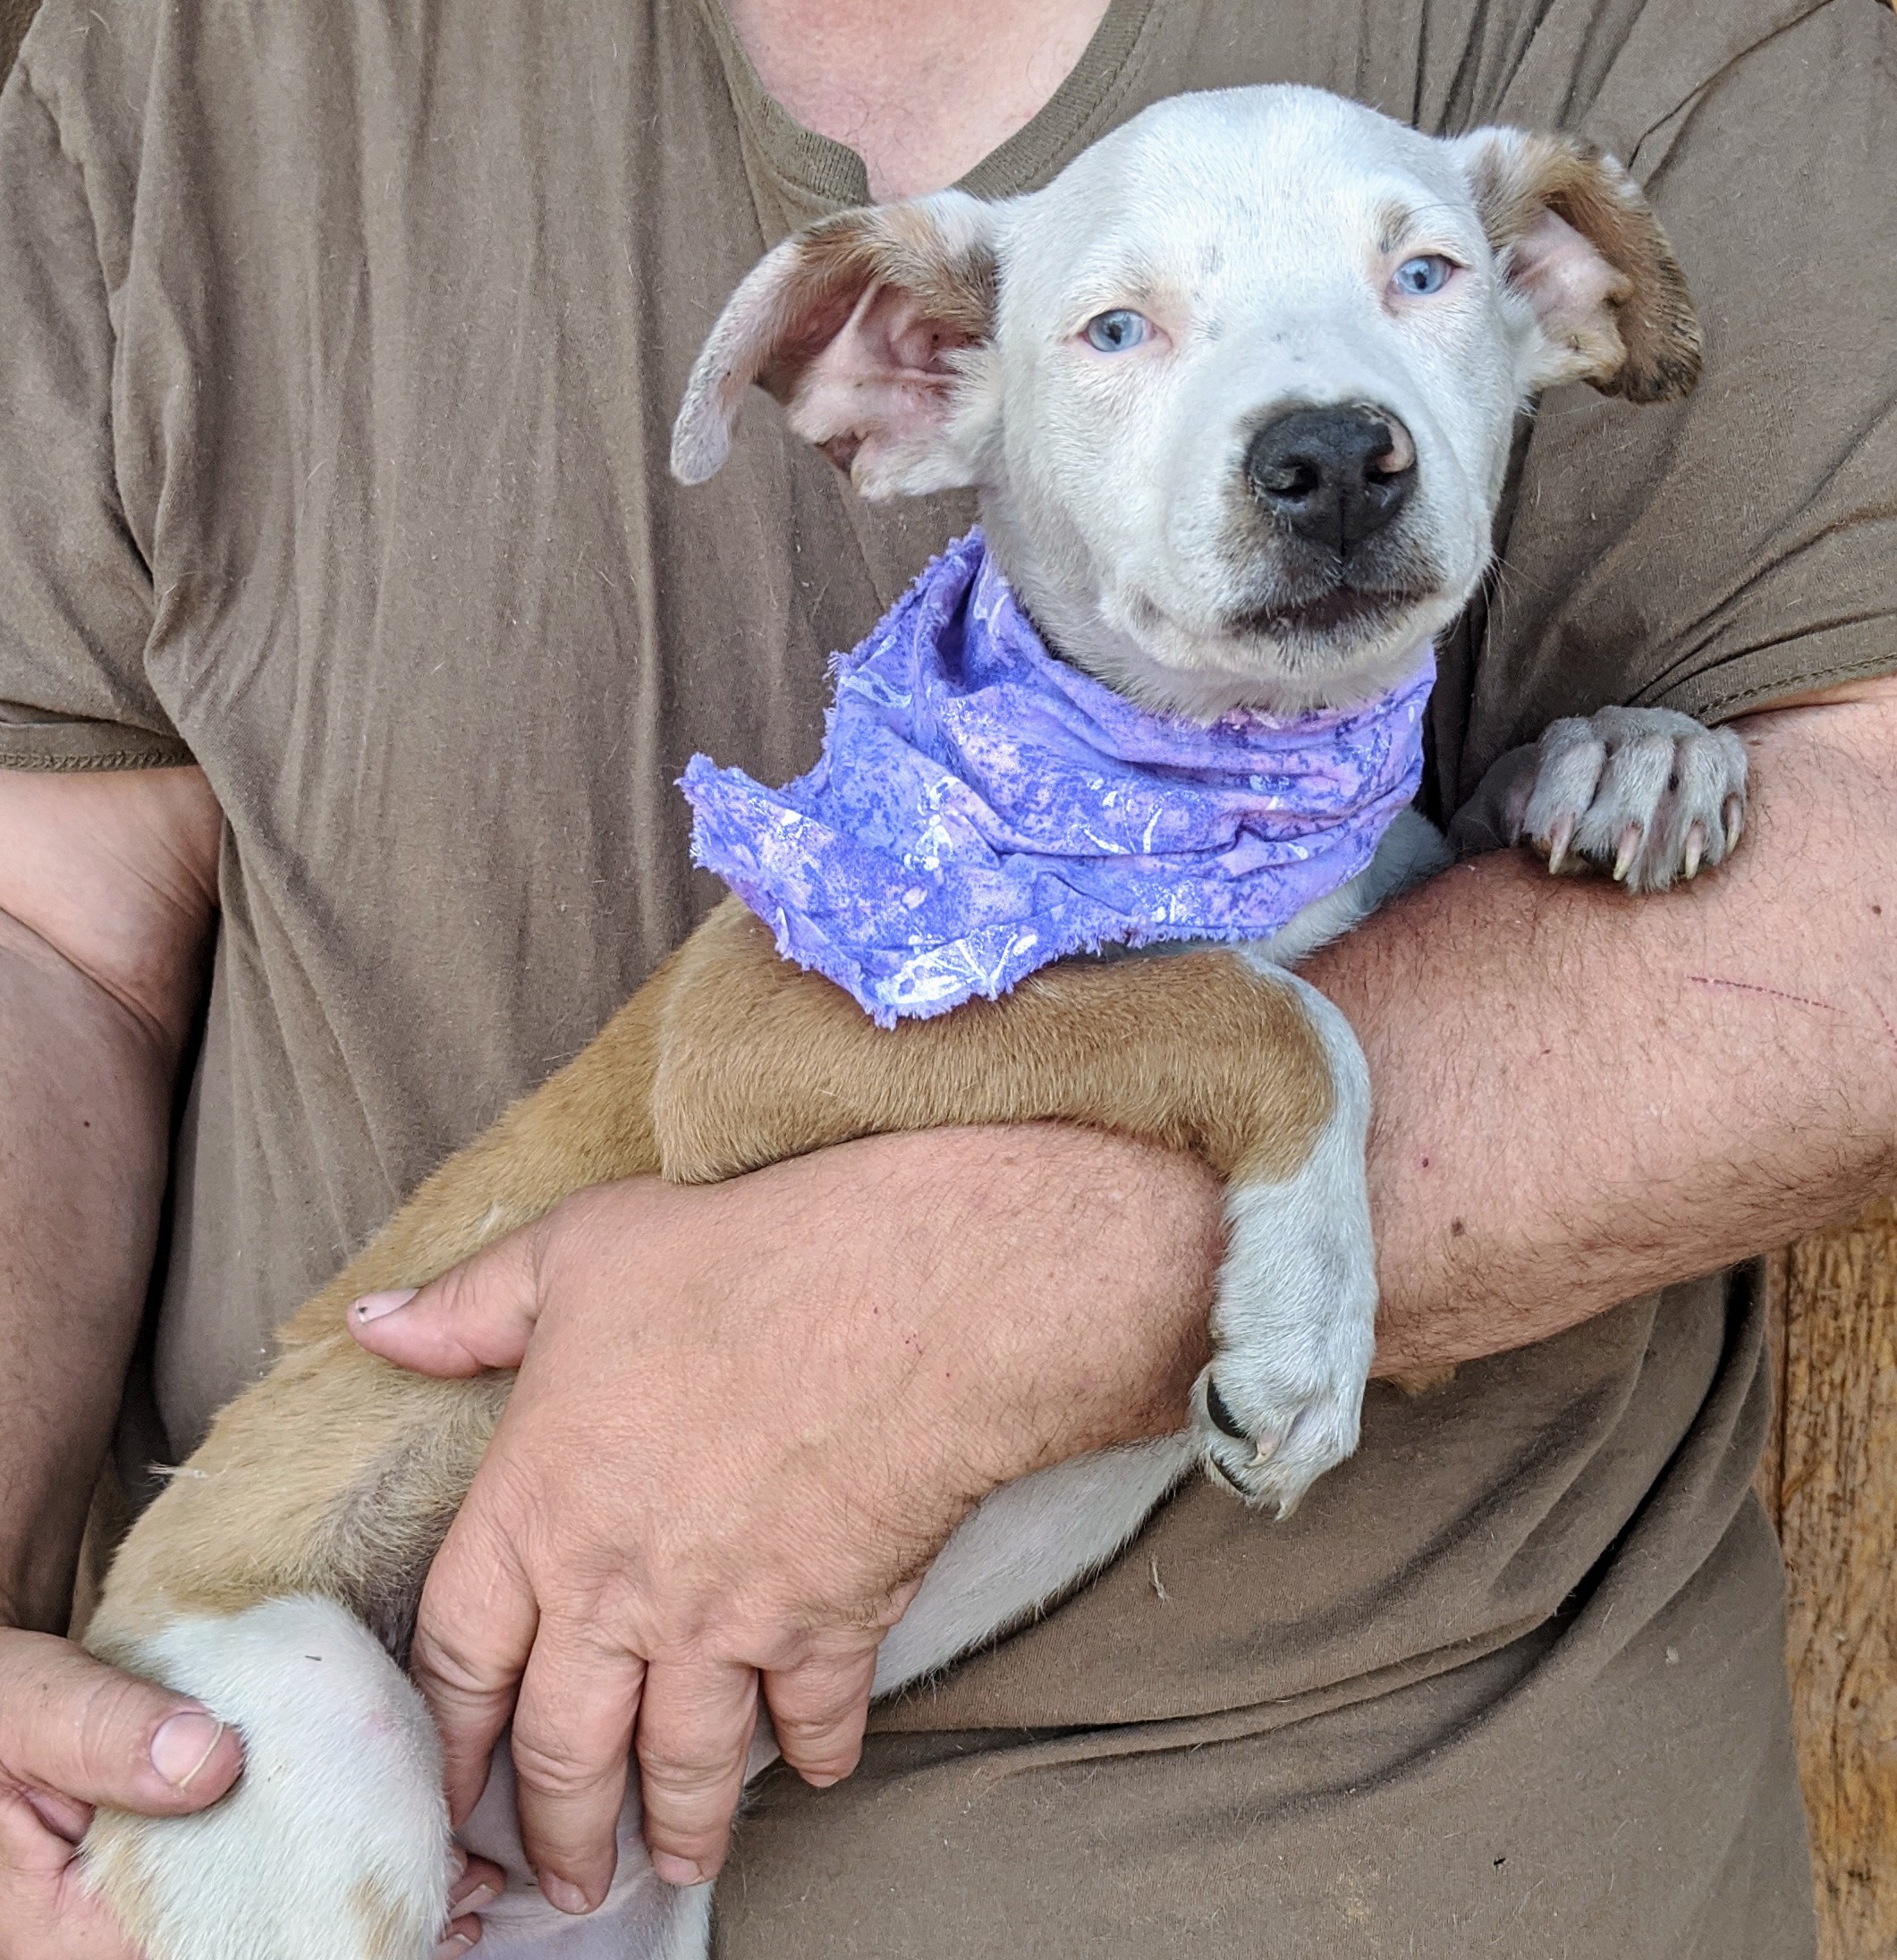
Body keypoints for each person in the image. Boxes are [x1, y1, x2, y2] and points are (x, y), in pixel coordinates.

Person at [1, 0, 1893, 1953]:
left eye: (1415, 282)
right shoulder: (927, 850)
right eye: (1120, 331)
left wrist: (1608, 783)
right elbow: (44, 930)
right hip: (326, 1696)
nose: (1323, 432)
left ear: (1549, 297)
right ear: (904, 380)